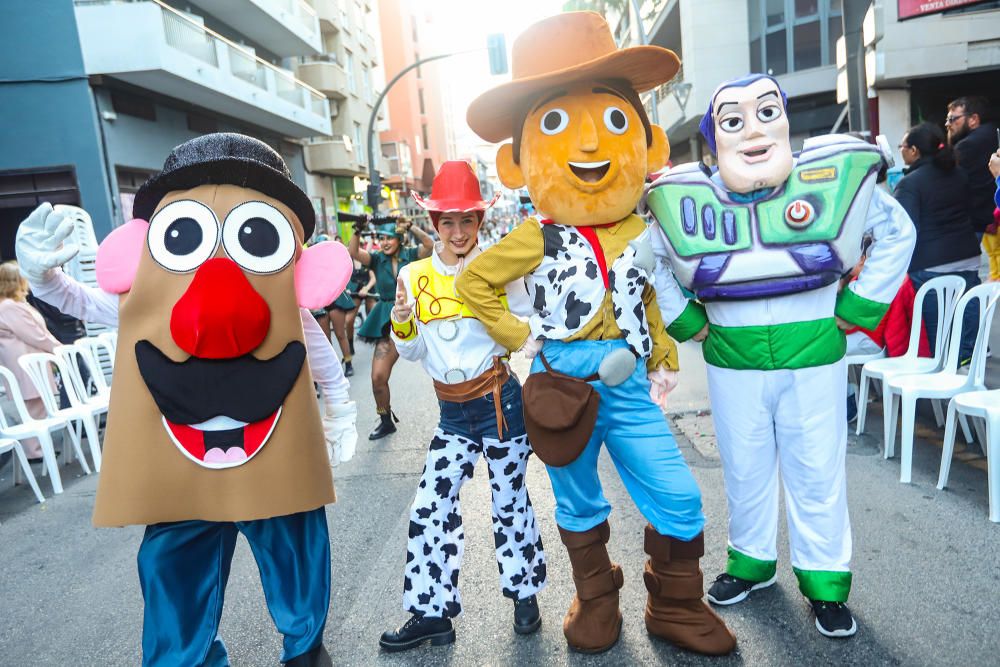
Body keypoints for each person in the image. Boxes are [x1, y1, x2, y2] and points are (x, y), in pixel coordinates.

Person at [16, 134, 359, 667]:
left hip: (268, 446)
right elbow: (82, 302)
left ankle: (305, 652)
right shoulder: (147, 298)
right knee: (177, 566)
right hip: (179, 457)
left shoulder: (281, 296)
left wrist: (339, 409)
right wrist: (43, 276)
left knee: (293, 541)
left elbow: (313, 345)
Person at [459, 12, 735, 656]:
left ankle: (674, 604)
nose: (588, 147)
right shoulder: (534, 236)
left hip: (631, 385)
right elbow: (476, 284)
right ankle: (595, 596)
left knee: (678, 493)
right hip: (562, 384)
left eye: (615, 123)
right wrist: (518, 334)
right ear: (517, 162)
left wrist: (662, 351)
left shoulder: (643, 232)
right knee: (578, 499)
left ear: (650, 145)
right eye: (554, 125)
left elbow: (652, 298)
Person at [644, 74, 915, 638]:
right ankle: (751, 563)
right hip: (732, 357)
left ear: (785, 120)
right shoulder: (689, 199)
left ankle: (826, 583)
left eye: (766, 113)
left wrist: (861, 305)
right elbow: (651, 259)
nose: (752, 130)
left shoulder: (829, 182)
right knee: (745, 470)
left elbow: (896, 231)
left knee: (816, 471)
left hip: (813, 352)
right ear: (715, 134)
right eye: (733, 120)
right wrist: (687, 318)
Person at [379, 161, 546, 652]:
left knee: (510, 501)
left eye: (466, 220)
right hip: (452, 415)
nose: (456, 231)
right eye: (447, 221)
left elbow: (527, 328)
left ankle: (524, 594)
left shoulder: (499, 266)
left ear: (479, 222)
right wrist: (402, 321)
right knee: (431, 505)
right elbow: (411, 352)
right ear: (434, 224)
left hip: (500, 404)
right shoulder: (413, 274)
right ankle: (432, 614)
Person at [896, 122, 982, 365]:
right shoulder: (960, 174)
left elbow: (906, 230)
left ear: (914, 151)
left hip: (930, 265)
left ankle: (939, 372)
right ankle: (966, 363)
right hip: (967, 257)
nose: (900, 150)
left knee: (936, 333)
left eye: (902, 146)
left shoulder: (910, 183)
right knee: (965, 316)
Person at [349, 216, 433, 440]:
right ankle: (384, 419)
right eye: (381, 239)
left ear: (399, 238)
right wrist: (358, 229)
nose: (384, 243)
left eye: (388, 238)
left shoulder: (412, 254)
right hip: (388, 323)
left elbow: (430, 246)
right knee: (377, 377)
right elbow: (354, 253)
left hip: (422, 318)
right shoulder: (376, 259)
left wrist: (410, 226)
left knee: (441, 370)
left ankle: (454, 419)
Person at [0, 261, 60, 461]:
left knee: (35, 406)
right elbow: (34, 334)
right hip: (23, 360)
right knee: (33, 406)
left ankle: (38, 449)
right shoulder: (9, 306)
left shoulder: (11, 304)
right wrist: (58, 349)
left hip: (23, 358)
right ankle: (35, 451)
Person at [946, 96, 998, 236]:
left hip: (978, 222)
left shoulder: (966, 146)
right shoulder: (994, 134)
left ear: (973, 119)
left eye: (952, 119)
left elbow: (955, 187)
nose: (947, 124)